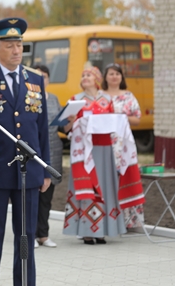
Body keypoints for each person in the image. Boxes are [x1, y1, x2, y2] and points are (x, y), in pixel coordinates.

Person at [0, 17, 51, 286]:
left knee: (25, 240)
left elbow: (41, 128)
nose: (17, 50)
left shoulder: (35, 79)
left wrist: (45, 166)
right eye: (10, 45)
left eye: (19, 45)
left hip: (29, 174)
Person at [62, 65, 144, 244]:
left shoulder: (107, 100)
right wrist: (70, 121)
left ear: (97, 79)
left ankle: (104, 229)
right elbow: (66, 128)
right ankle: (86, 230)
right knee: (87, 187)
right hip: (83, 152)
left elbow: (114, 122)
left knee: (105, 186)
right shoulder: (75, 100)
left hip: (104, 149)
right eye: (82, 75)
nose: (84, 78)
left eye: (88, 75)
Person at [32, 64, 70, 249]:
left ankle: (43, 235)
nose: (42, 79)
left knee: (47, 198)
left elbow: (62, 126)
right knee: (31, 197)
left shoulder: (54, 99)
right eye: (38, 76)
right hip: (33, 154)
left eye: (45, 76)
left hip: (53, 153)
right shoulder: (27, 97)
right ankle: (29, 234)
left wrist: (71, 120)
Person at [102, 63, 144, 228]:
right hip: (105, 143)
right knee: (107, 180)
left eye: (117, 74)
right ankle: (109, 221)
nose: (114, 77)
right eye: (111, 74)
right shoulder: (100, 96)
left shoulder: (128, 96)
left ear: (121, 77)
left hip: (123, 143)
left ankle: (128, 221)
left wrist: (120, 116)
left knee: (125, 177)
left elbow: (138, 119)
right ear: (105, 77)